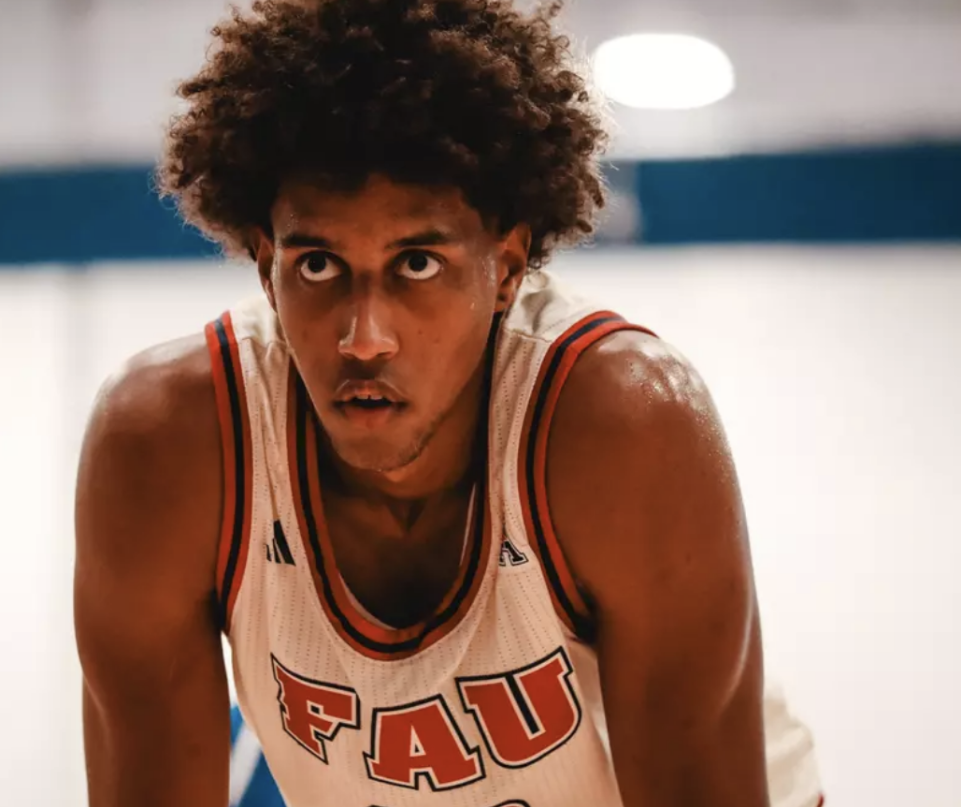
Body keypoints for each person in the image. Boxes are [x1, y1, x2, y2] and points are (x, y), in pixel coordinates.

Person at [72, 1, 823, 805]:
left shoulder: (624, 425)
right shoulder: (169, 447)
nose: (365, 337)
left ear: (505, 267)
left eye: (417, 264)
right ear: (265, 267)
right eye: (320, 265)